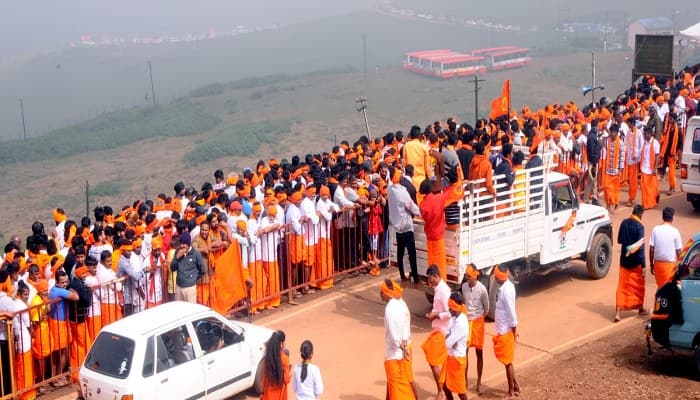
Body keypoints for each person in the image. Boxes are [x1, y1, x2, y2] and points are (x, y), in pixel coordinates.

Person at [380, 278, 416, 400]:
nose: (380, 295)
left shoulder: (389, 309)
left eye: (381, 292)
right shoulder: (400, 303)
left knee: (399, 389)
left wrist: (402, 347)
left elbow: (393, 335)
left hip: (395, 355)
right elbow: (406, 323)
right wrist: (405, 346)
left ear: (386, 293)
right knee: (397, 383)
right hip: (403, 349)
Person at [422, 264, 451, 400]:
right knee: (437, 361)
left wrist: (435, 316)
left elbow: (450, 312)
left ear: (435, 276)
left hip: (443, 331)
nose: (429, 281)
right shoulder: (438, 289)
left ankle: (441, 391)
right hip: (438, 329)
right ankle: (444, 389)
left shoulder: (444, 291)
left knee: (433, 361)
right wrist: (433, 314)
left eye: (430, 278)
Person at [615, 205, 648, 322]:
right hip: (635, 262)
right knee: (638, 287)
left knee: (622, 286)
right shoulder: (640, 227)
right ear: (641, 215)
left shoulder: (624, 222)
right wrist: (644, 265)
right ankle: (640, 308)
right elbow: (641, 249)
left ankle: (618, 313)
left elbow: (619, 240)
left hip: (624, 260)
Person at [387, 168, 421, 284]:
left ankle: (402, 275)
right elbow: (411, 206)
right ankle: (416, 278)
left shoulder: (390, 189)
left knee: (400, 253)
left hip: (398, 228)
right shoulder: (401, 192)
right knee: (412, 254)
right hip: (406, 227)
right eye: (400, 175)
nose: (401, 176)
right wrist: (423, 213)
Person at [492, 265, 520, 397]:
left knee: (507, 363)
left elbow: (511, 313)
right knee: (508, 361)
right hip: (503, 329)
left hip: (506, 331)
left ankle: (511, 391)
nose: (495, 278)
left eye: (496, 277)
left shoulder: (506, 291)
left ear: (500, 277)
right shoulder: (504, 287)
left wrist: (514, 332)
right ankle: (516, 385)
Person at [461, 265, 488, 395]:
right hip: (467, 322)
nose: (467, 278)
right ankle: (464, 381)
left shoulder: (482, 289)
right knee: (464, 352)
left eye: (469, 276)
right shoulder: (464, 287)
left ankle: (479, 382)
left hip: (478, 322)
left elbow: (486, 307)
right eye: (466, 276)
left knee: (479, 353)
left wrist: (479, 317)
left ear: (475, 275)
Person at [444, 292, 469, 400]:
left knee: (461, 392)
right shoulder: (454, 319)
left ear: (455, 308)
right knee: (445, 385)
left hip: (457, 360)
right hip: (450, 358)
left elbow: (447, 343)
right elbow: (445, 333)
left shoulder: (461, 323)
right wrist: (448, 337)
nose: (449, 310)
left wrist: (449, 338)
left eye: (450, 308)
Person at [650, 207, 683, 288]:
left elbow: (651, 249)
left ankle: (658, 299)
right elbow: (678, 252)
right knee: (668, 289)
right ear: (672, 218)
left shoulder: (655, 229)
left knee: (660, 286)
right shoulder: (675, 231)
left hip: (657, 264)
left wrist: (651, 264)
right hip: (669, 266)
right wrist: (679, 267)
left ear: (663, 217)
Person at [169, 232, 205, 303]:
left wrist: (192, 278)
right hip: (178, 287)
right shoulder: (177, 251)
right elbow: (172, 268)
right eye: (181, 243)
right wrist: (177, 258)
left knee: (191, 310)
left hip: (190, 289)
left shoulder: (196, 254)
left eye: (184, 244)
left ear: (189, 243)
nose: (182, 246)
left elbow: (202, 270)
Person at [261, 330, 291, 400]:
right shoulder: (285, 359)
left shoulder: (267, 358)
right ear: (281, 343)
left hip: (268, 395)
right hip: (280, 395)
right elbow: (286, 380)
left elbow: (264, 381)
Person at [639, 126, 660, 210]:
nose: (646, 135)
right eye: (645, 133)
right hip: (644, 168)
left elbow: (657, 156)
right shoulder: (644, 143)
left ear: (651, 134)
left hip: (651, 169)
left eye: (647, 133)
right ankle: (645, 204)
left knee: (651, 188)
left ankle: (651, 202)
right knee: (644, 187)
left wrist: (655, 168)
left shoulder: (655, 143)